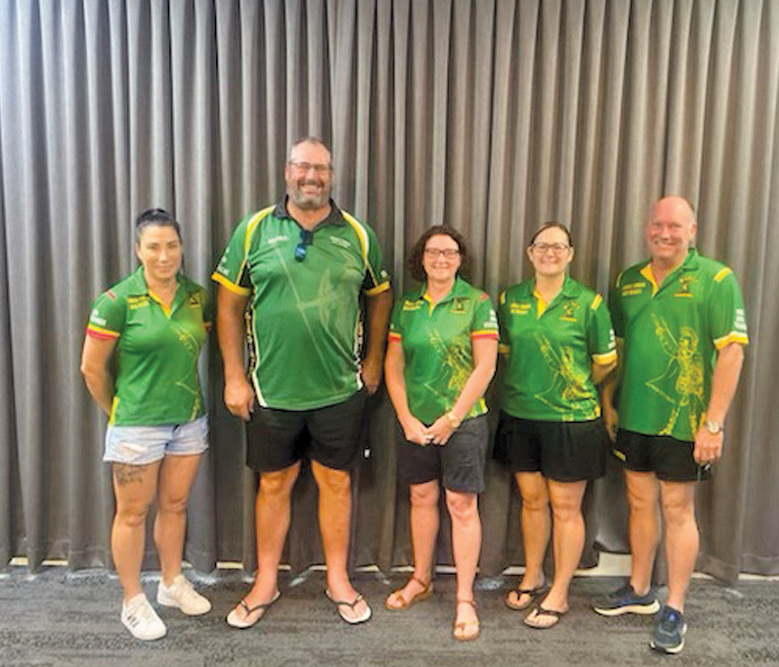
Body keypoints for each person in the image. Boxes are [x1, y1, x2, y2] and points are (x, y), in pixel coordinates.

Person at [213, 137, 392, 628]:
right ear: (287, 171)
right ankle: (266, 582)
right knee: (273, 485)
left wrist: (373, 362)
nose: (311, 176)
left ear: (332, 175)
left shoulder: (358, 233)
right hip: (270, 390)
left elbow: (380, 296)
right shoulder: (253, 230)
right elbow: (227, 303)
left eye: (321, 168)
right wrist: (234, 376)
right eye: (302, 167)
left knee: (336, 483)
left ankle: (338, 580)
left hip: (340, 389)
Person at [593, 196, 748, 654]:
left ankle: (674, 607)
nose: (665, 233)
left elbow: (733, 353)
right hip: (634, 415)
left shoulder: (717, 279)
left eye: (675, 226)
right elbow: (616, 346)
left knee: (677, 508)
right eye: (657, 224)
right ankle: (640, 589)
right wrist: (609, 399)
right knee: (639, 501)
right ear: (647, 228)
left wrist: (713, 424)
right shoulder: (628, 280)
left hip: (686, 421)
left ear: (692, 230)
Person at [80, 208, 213, 641]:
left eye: (171, 245)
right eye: (154, 247)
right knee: (133, 513)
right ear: (139, 250)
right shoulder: (116, 302)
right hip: (136, 425)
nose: (164, 255)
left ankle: (171, 584)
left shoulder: (196, 297)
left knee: (175, 506)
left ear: (181, 248)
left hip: (188, 420)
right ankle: (133, 600)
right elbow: (92, 370)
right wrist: (118, 412)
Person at [494, 222, 617, 630]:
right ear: (529, 254)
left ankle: (560, 592)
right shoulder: (510, 300)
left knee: (566, 508)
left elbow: (604, 363)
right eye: (542, 246)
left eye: (558, 246)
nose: (550, 253)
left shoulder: (590, 303)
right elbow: (506, 354)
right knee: (531, 501)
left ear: (571, 254)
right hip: (520, 414)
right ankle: (533, 574)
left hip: (572, 418)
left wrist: (571, 387)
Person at [383, 226, 498, 641]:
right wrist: (405, 418)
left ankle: (465, 597)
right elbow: (393, 364)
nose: (441, 259)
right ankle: (421, 579)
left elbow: (485, 367)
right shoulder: (406, 305)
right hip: (415, 421)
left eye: (449, 252)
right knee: (421, 497)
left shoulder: (477, 302)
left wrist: (452, 418)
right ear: (422, 257)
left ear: (460, 258)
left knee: (461, 503)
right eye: (433, 252)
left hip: (463, 422)